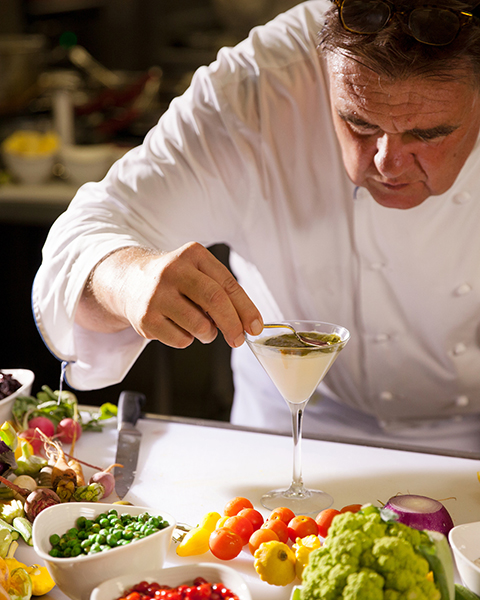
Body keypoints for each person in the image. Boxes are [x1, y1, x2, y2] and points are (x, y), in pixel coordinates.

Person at [33, 0, 480, 452]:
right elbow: (85, 234)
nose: (388, 162)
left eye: (428, 134)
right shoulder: (262, 84)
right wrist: (128, 278)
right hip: (287, 433)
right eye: (358, 123)